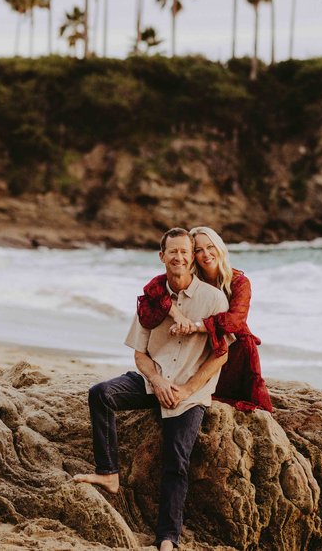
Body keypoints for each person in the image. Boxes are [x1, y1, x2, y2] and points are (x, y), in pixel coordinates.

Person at [73, 227, 231, 551]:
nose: (179, 257)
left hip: (189, 393)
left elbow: (221, 354)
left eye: (185, 252)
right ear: (162, 257)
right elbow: (139, 354)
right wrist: (157, 381)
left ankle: (167, 538)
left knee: (176, 461)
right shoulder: (152, 300)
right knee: (100, 393)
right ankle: (108, 473)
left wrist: (187, 390)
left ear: (192, 259)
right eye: (172, 252)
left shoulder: (213, 299)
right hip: (152, 381)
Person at [136, 226, 272, 413]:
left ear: (219, 247)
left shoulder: (238, 282)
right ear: (193, 255)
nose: (206, 254)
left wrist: (195, 326)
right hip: (203, 348)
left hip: (235, 349)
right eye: (198, 250)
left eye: (210, 247)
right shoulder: (190, 279)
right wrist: (176, 314)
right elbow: (153, 290)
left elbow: (234, 321)